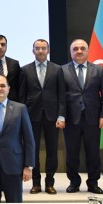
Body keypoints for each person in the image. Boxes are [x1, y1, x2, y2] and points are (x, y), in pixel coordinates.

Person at [61, 39, 103, 194]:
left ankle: (93, 183)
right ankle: (74, 182)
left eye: (82, 48)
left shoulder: (98, 69)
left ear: (87, 51)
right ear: (70, 52)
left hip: (93, 118)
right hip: (71, 119)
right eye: (75, 48)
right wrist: (61, 116)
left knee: (93, 153)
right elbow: (60, 96)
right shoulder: (62, 70)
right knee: (72, 153)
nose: (79, 51)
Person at [0, 75, 35, 203]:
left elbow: (29, 139)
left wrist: (28, 166)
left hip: (14, 165)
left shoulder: (20, 109)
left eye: (2, 85)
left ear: (8, 88)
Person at [19, 39, 65, 195]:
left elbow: (61, 94)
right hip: (32, 116)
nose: (40, 51)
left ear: (48, 50)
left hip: (52, 116)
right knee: (33, 150)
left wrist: (61, 115)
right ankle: (36, 183)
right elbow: (22, 95)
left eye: (43, 48)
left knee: (52, 151)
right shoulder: (25, 70)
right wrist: (22, 116)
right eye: (37, 48)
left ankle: (50, 182)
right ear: (33, 51)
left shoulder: (57, 69)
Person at [0, 34, 22, 102]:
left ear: (6, 46)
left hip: (12, 103)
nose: (0, 47)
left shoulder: (14, 63)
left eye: (3, 44)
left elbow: (19, 86)